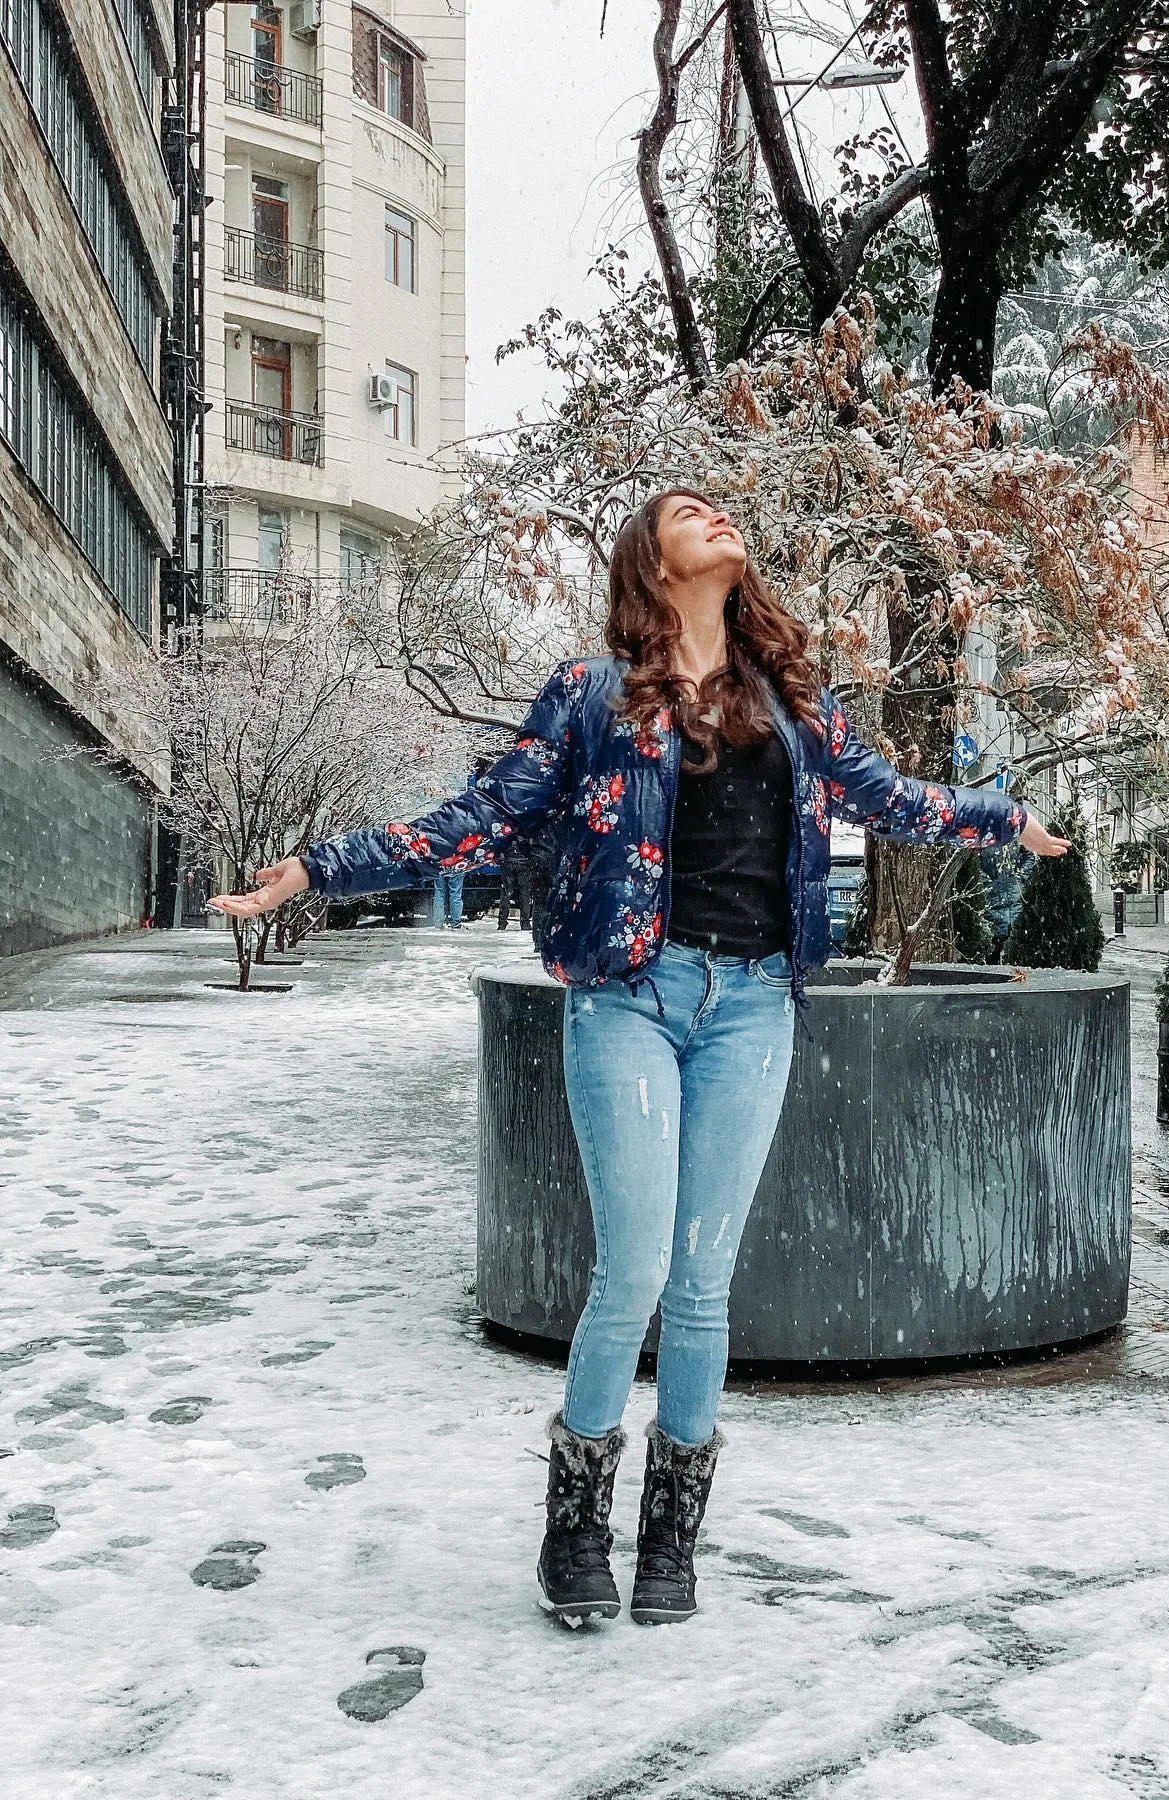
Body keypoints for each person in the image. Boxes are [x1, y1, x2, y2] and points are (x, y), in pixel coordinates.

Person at [209, 489, 1069, 1628]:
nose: (719, 517)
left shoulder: (791, 700)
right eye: (690, 511)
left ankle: (672, 1538)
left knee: (706, 1283)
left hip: (755, 1003)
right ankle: (575, 1529)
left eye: (721, 508)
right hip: (629, 999)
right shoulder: (591, 695)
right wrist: (318, 869)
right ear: (650, 562)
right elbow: (478, 818)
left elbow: (888, 798)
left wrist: (999, 819)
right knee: (635, 1273)